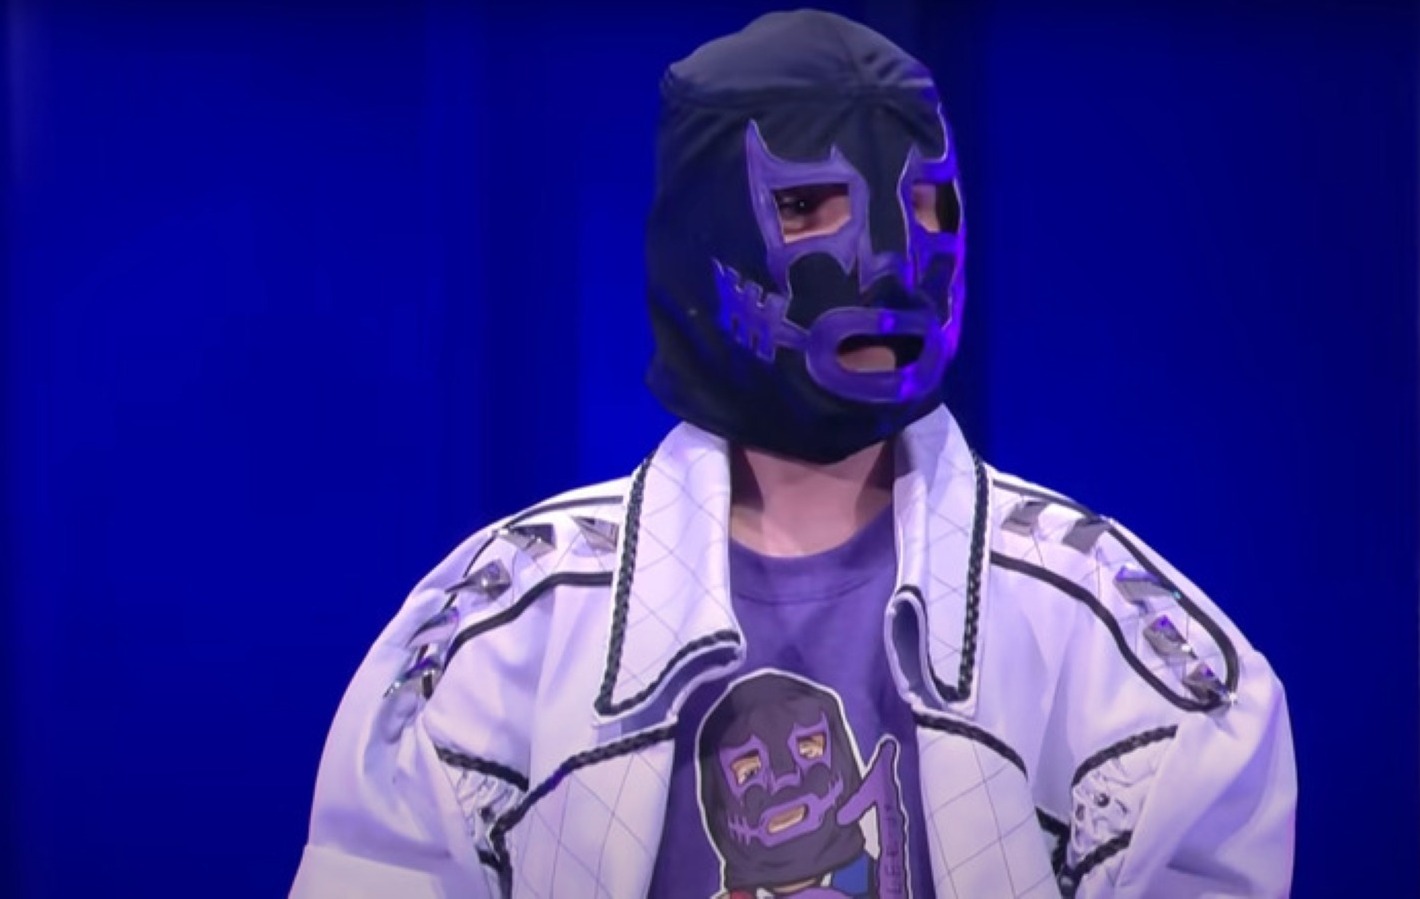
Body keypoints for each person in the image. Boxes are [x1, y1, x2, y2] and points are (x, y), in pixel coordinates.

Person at [289, 9, 1296, 898]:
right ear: (702, 230)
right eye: (810, 205)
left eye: (928, 205)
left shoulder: (1112, 646)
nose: (890, 263)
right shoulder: (503, 633)